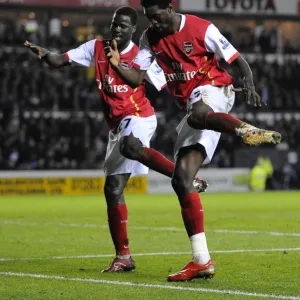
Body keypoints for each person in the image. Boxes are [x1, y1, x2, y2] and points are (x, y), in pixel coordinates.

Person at [105, 0, 282, 281]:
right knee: (181, 178)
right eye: (149, 18)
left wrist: (248, 82)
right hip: (192, 105)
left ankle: (244, 130)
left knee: (199, 111)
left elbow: (236, 59)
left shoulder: (201, 28)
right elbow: (136, 79)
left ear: (170, 9)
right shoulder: (149, 38)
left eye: (158, 16)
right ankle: (201, 260)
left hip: (216, 90)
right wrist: (116, 65)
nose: (154, 23)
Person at [24, 6, 208, 273]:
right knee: (112, 189)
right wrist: (43, 54)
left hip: (139, 117)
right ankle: (124, 257)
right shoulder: (96, 48)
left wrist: (199, 94)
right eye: (114, 24)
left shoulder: (144, 55)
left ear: (133, 30)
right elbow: (60, 60)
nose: (117, 29)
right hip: (117, 124)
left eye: (123, 26)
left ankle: (187, 178)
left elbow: (168, 83)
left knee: (130, 145)